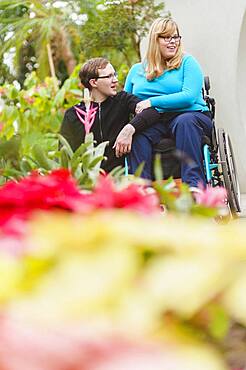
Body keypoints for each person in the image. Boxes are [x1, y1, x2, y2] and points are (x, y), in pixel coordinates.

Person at [121, 17, 213, 189]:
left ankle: (193, 186)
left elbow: (189, 96)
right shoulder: (136, 70)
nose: (173, 42)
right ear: (155, 40)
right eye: (167, 37)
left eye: (176, 37)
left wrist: (151, 102)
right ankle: (141, 190)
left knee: (184, 122)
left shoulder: (187, 62)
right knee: (138, 134)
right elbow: (125, 102)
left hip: (191, 116)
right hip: (153, 120)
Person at [60, 57, 161, 173]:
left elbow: (152, 112)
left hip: (120, 178)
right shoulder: (73, 114)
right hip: (87, 182)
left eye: (115, 75)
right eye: (109, 76)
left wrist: (130, 128)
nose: (115, 80)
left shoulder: (122, 100)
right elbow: (65, 154)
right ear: (93, 82)